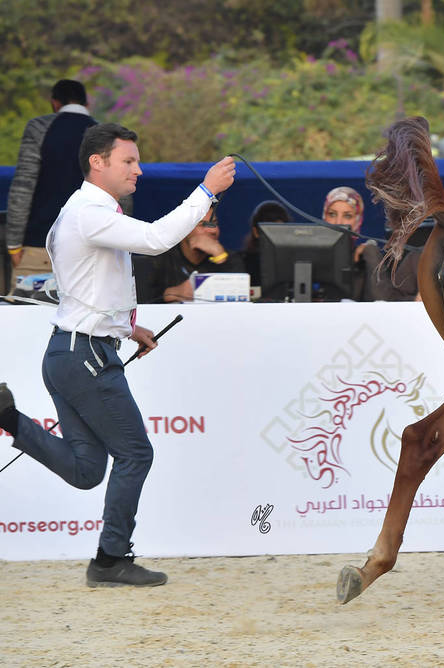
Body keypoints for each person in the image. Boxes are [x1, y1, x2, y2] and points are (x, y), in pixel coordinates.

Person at [0, 122, 235, 587]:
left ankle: (8, 418)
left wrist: (129, 328)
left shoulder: (85, 211)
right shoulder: (89, 210)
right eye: (129, 161)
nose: (139, 170)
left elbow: (88, 288)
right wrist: (206, 192)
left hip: (69, 353)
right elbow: (154, 240)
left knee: (88, 471)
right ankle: (110, 560)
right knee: (136, 455)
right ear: (98, 162)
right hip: (83, 356)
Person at [6, 80, 98, 292]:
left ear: (55, 103)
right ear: (87, 104)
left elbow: (23, 187)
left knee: (28, 320)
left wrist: (14, 246)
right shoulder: (104, 134)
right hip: (91, 253)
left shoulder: (38, 128)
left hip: (40, 248)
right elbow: (120, 196)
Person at [147, 204, 245, 303]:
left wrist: (221, 259)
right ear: (183, 230)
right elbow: (141, 303)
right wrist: (171, 294)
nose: (213, 230)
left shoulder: (229, 257)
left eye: (214, 223)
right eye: (202, 224)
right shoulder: (160, 258)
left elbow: (240, 298)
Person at [240, 200, 290, 289]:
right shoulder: (242, 264)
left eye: (281, 231)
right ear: (256, 232)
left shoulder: (295, 264)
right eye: (271, 231)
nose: (275, 238)